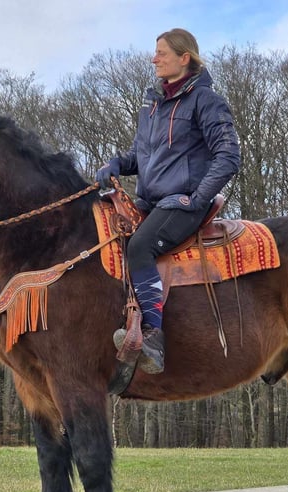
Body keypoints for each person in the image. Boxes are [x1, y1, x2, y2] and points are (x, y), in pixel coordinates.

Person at [96, 28, 240, 374]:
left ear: (184, 58)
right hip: (150, 201)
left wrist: (198, 198)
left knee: (140, 247)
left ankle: (152, 338)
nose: (154, 58)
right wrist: (115, 164)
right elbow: (140, 156)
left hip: (183, 202)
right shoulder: (152, 103)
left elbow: (228, 154)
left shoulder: (206, 101)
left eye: (161, 52)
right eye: (155, 52)